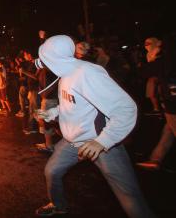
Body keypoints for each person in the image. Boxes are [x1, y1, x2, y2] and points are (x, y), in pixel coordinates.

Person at [34, 35, 155, 217]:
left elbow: (125, 109)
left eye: (45, 57)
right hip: (72, 142)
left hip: (100, 143)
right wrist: (52, 113)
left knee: (129, 195)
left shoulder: (87, 73)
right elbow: (72, 103)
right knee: (52, 171)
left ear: (53, 57)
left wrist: (102, 141)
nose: (42, 63)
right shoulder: (65, 73)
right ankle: (58, 206)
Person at [136, 34, 176, 171]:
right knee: (169, 131)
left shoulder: (164, 60)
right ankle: (155, 159)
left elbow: (143, 72)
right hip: (170, 102)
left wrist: (151, 58)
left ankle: (155, 160)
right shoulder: (167, 60)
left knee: (172, 128)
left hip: (172, 103)